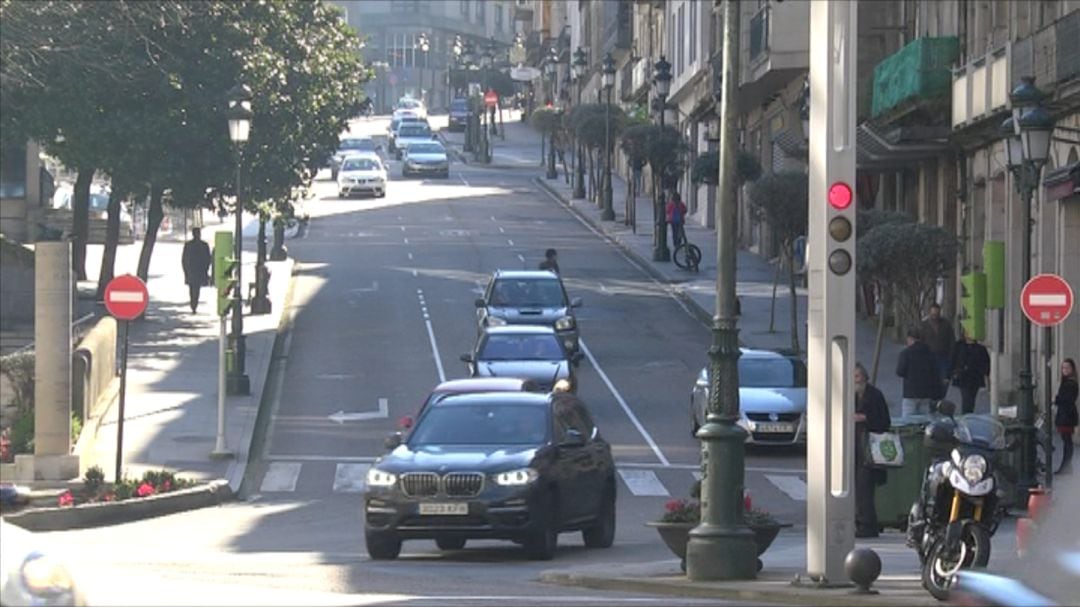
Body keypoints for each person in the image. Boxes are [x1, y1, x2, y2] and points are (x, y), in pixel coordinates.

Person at [854, 362, 891, 538]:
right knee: (857, 488)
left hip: (869, 447)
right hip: (854, 447)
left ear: (865, 378)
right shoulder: (850, 395)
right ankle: (861, 521)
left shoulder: (875, 395)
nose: (855, 381)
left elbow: (884, 422)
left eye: (858, 376)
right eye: (853, 377)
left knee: (865, 488)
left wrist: (865, 418)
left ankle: (867, 525)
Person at [896, 327, 941, 417]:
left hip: (910, 393)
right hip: (926, 393)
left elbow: (899, 371)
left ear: (910, 338)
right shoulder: (930, 353)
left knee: (908, 421)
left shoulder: (905, 353)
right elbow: (936, 372)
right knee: (925, 420)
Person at [949, 328, 991, 414]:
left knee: (971, 398)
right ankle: (966, 415)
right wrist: (949, 374)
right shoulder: (959, 346)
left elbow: (986, 362)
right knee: (966, 397)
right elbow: (953, 360)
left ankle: (968, 414)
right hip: (963, 377)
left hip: (975, 377)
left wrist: (986, 374)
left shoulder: (980, 348)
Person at [920, 303, 955, 391]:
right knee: (930, 379)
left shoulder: (946, 324)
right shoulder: (924, 326)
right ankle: (933, 398)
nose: (935, 316)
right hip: (929, 357)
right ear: (929, 313)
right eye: (933, 314)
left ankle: (941, 397)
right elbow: (921, 341)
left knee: (944, 379)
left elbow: (952, 340)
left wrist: (951, 355)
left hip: (944, 356)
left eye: (937, 314)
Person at [1054, 358, 1078, 475]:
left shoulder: (1071, 384)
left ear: (1072, 369)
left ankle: (1066, 466)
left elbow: (1065, 399)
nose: (1065, 370)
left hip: (1067, 415)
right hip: (1065, 414)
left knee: (1067, 441)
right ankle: (1066, 466)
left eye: (1067, 368)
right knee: (1066, 440)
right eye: (1063, 368)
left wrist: (1058, 399)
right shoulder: (1067, 382)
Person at [181, 227, 212, 314]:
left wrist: (186, 270)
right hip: (198, 270)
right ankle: (194, 304)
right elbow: (208, 259)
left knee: (193, 288)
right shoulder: (203, 245)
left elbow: (184, 259)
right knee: (196, 289)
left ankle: (193, 304)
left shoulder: (189, 245)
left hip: (193, 270)